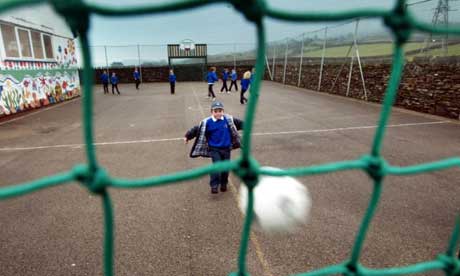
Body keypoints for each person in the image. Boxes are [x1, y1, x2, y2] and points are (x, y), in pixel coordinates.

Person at [184, 101, 244, 194]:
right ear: (212, 112)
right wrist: (188, 135)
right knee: (216, 166)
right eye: (216, 111)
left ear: (223, 111)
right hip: (214, 149)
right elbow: (196, 129)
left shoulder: (228, 120)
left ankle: (223, 183)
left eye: (220, 111)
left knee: (225, 167)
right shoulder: (207, 122)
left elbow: (240, 124)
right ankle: (214, 185)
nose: (218, 113)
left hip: (226, 149)